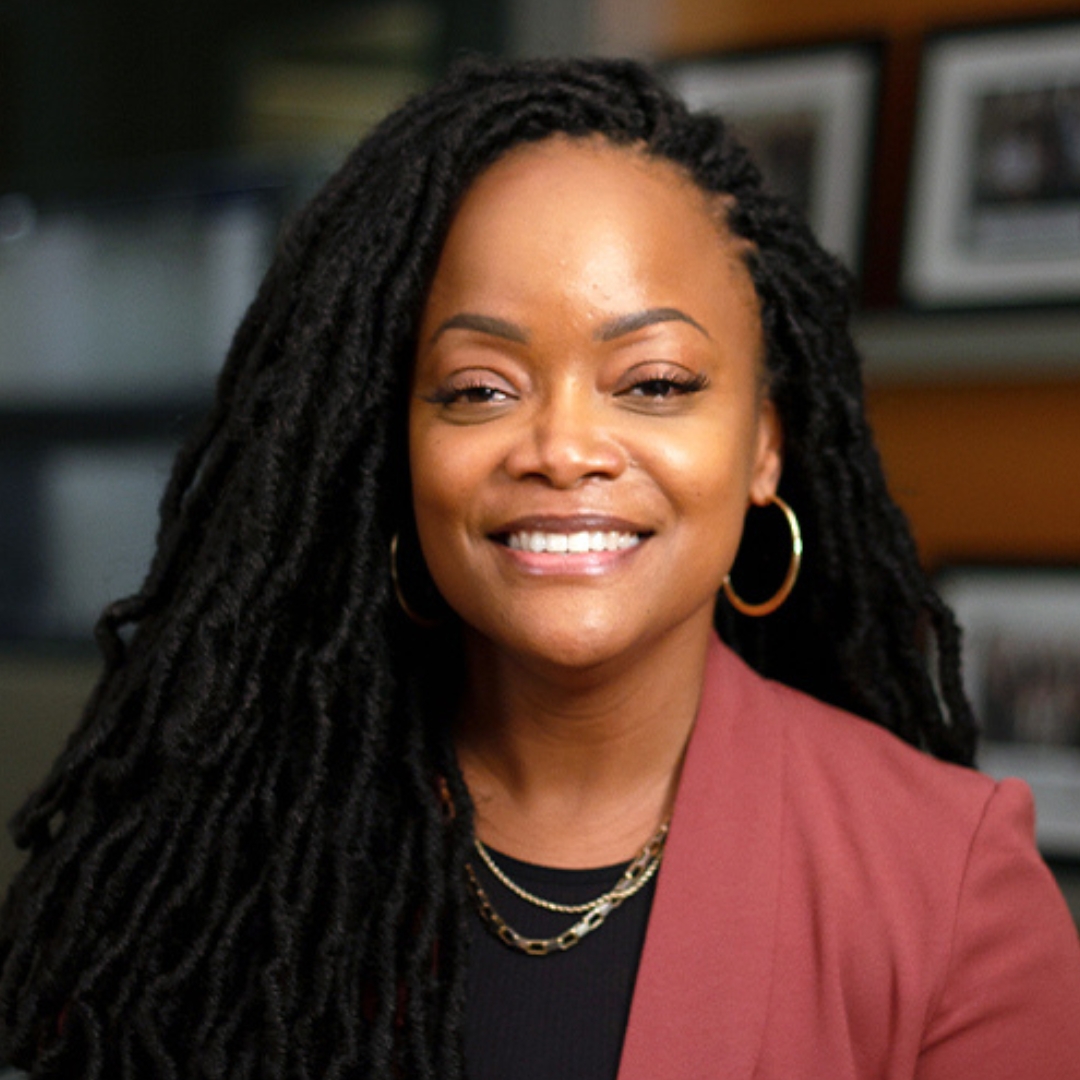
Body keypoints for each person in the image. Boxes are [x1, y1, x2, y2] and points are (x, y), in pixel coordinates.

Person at [1, 55, 1078, 1080]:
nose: (563, 449)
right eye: (478, 388)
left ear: (764, 444)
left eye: (653, 383)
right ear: (399, 445)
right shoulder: (220, 851)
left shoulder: (947, 886)